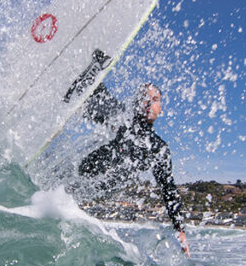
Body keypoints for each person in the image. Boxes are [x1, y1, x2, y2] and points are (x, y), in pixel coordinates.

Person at [78, 82, 190, 256]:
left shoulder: (158, 149)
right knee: (108, 109)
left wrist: (180, 230)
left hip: (93, 189)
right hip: (82, 172)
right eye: (144, 98)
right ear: (136, 103)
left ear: (160, 108)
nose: (148, 103)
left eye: (154, 99)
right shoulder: (123, 120)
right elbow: (110, 108)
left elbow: (168, 190)